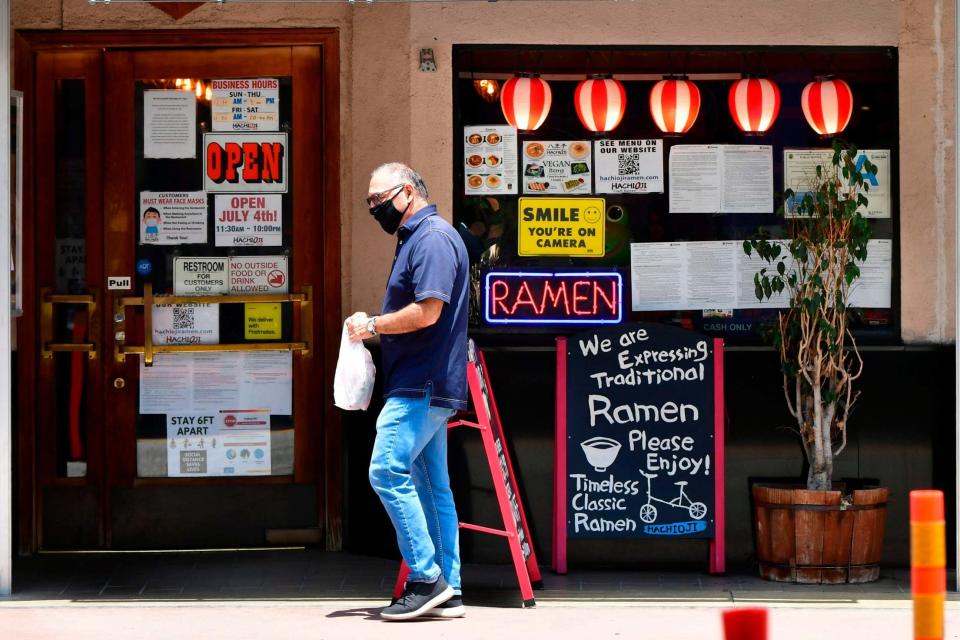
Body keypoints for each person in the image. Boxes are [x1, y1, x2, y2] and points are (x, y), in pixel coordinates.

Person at [347, 162, 470, 621]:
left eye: (379, 200)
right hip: (428, 380)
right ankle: (449, 588)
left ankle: (425, 577)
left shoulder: (432, 238)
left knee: (385, 471)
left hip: (421, 382)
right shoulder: (422, 236)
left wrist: (372, 325)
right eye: (369, 204)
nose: (375, 209)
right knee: (431, 484)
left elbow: (428, 312)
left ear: (407, 192)